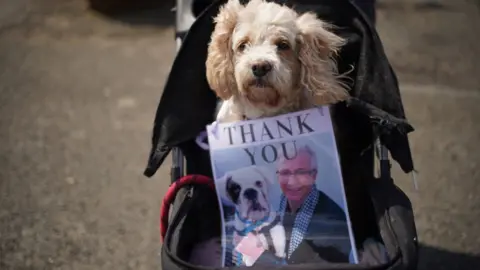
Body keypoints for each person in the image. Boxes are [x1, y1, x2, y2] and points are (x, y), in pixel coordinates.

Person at [275, 144, 353, 264]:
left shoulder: (334, 223)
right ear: (278, 176)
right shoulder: (282, 201)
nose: (292, 182)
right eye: (285, 173)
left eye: (300, 172)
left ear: (314, 175)